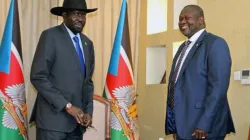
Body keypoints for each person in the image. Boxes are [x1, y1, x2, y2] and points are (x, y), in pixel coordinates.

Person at [165, 5, 235, 140]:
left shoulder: (215, 44)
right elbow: (175, 86)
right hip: (183, 125)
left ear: (200, 20)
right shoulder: (182, 48)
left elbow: (218, 88)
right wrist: (173, 124)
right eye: (180, 19)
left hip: (203, 127)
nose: (182, 22)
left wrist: (204, 124)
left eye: (187, 18)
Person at [29, 0, 97, 139]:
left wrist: (88, 112)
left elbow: (88, 82)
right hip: (52, 123)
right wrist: (68, 106)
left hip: (77, 125)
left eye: (83, 15)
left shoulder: (87, 44)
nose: (81, 19)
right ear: (64, 15)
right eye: (76, 14)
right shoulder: (50, 36)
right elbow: (38, 76)